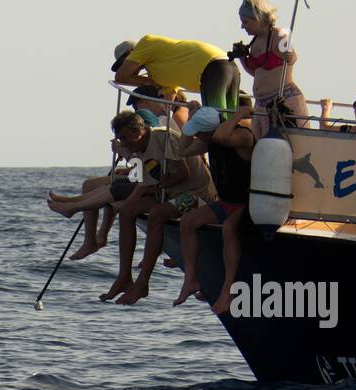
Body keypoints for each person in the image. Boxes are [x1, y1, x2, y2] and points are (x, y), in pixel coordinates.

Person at [75, 111, 215, 304]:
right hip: (169, 193)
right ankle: (124, 277)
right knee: (126, 211)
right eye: (120, 139)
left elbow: (183, 173)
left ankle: (143, 282)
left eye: (125, 138)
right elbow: (145, 183)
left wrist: (160, 184)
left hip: (196, 194)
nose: (124, 143)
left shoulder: (162, 137)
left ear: (139, 131)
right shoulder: (139, 149)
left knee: (157, 214)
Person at [172, 105, 257, 315]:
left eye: (198, 132)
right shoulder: (210, 141)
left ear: (210, 131)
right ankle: (191, 279)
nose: (196, 136)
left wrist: (238, 116)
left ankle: (228, 289)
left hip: (246, 203)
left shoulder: (241, 137)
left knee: (229, 229)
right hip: (225, 202)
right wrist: (191, 122)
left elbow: (222, 137)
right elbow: (181, 151)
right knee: (188, 221)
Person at [113, 35, 242, 117]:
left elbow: (120, 77)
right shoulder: (158, 71)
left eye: (123, 63)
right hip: (226, 67)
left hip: (213, 68)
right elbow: (168, 100)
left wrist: (147, 82)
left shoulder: (145, 43)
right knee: (230, 119)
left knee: (216, 120)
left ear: (131, 53)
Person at [233, 1, 307, 138]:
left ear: (258, 18)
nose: (243, 26)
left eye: (246, 22)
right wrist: (242, 57)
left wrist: (289, 55)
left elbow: (292, 57)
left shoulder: (279, 35)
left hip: (281, 101)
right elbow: (256, 73)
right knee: (258, 148)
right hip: (260, 104)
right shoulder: (255, 42)